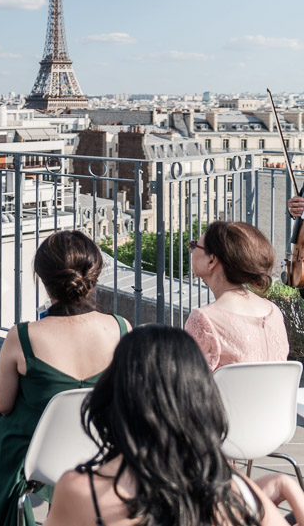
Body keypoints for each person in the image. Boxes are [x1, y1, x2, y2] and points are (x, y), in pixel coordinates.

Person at [45, 325, 302, 526]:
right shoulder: (235, 495)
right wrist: (286, 485)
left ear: (115, 396)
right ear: (202, 401)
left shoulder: (83, 492)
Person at [0, 230, 129, 526]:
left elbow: (2, 404)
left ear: (42, 279)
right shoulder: (121, 328)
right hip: (103, 443)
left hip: (39, 450)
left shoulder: (24, 336)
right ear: (94, 274)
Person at [185, 221, 289, 371]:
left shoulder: (204, 319)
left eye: (195, 245)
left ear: (212, 260)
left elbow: (186, 384)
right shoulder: (273, 311)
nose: (192, 250)